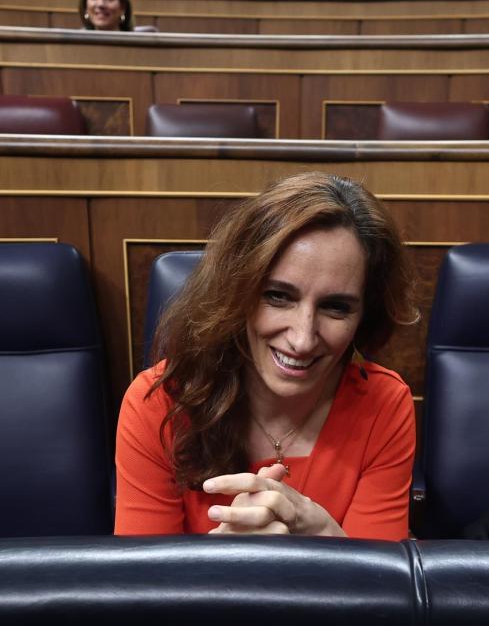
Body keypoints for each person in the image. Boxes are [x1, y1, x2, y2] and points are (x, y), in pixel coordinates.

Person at [116, 173, 420, 541]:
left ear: (364, 317)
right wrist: (230, 565)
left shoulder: (384, 405)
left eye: (336, 307)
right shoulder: (158, 404)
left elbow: (380, 590)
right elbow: (144, 589)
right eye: (278, 296)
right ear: (238, 291)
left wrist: (320, 533)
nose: (303, 338)